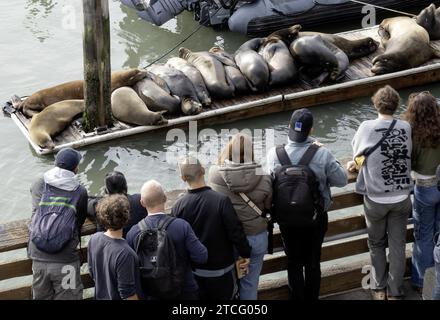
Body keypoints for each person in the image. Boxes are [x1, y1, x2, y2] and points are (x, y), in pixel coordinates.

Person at [267, 108, 347, 300]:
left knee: (293, 262)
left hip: (286, 219)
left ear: (289, 127)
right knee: (312, 262)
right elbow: (342, 180)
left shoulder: (274, 154)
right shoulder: (322, 153)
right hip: (315, 219)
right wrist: (324, 153)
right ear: (311, 131)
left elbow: (268, 184)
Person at [347, 85, 413, 300]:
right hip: (402, 196)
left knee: (376, 244)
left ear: (376, 104)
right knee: (398, 245)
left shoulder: (366, 127)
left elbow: (359, 153)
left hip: (376, 199)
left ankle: (378, 288)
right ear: (396, 105)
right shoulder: (405, 127)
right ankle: (395, 292)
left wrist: (353, 164)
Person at [172, 156, 252, 300]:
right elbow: (236, 233)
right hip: (222, 272)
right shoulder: (221, 201)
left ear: (183, 178)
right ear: (203, 170)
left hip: (195, 273)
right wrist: (245, 253)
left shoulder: (178, 206)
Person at [208, 133, 272, 300]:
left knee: (229, 282)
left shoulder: (215, 174)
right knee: (250, 283)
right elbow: (268, 205)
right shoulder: (264, 175)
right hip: (256, 237)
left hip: (228, 239)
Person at [126, 180, 208, 300]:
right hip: (183, 290)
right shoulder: (181, 226)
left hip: (151, 293)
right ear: (165, 198)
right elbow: (201, 256)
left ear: (142, 203)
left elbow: (131, 270)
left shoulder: (133, 233)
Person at [28, 147, 88, 300]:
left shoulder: (39, 182)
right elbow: (78, 223)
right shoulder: (79, 191)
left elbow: (36, 211)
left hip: (38, 255)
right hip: (65, 260)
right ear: (75, 168)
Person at [402, 91, 440, 293]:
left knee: (424, 236)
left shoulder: (411, 132)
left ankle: (420, 281)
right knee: (438, 234)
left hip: (424, 188)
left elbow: (409, 163)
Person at [87, 194, 142, 300]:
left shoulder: (94, 239)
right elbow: (128, 295)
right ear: (126, 217)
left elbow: (92, 271)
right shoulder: (125, 253)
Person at [88, 171, 147, 237]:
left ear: (106, 190)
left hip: (109, 245)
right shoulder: (139, 200)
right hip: (135, 244)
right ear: (126, 187)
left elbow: (86, 201)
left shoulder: (99, 205)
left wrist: (101, 198)